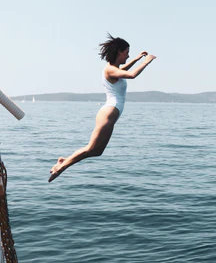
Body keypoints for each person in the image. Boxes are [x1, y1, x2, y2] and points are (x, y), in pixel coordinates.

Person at [48, 34, 156, 182]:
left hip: (111, 113)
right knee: (91, 148)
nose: (128, 55)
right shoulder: (110, 70)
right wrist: (147, 62)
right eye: (126, 52)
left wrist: (137, 59)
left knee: (97, 151)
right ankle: (62, 165)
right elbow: (131, 75)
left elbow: (124, 68)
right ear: (119, 52)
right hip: (108, 113)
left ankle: (64, 161)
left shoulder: (114, 69)